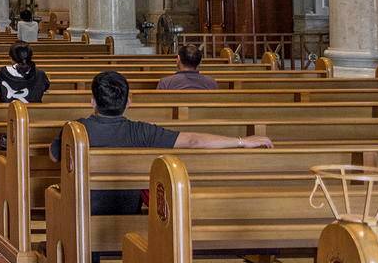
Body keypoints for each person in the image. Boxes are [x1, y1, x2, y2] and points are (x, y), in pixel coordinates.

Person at [50, 71, 271, 215]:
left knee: (53, 192)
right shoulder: (142, 132)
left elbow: (53, 156)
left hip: (82, 211)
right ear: (129, 103)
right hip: (128, 209)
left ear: (92, 102)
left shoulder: (75, 130)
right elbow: (193, 140)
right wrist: (241, 141)